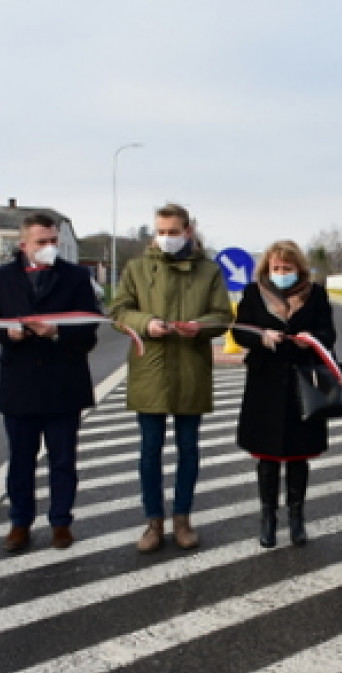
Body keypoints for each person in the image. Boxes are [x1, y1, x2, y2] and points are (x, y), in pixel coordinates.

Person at [110, 203, 232, 553]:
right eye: (160, 232)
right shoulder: (136, 268)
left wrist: (202, 327)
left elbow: (223, 315)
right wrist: (145, 323)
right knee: (149, 451)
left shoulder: (208, 271)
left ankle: (182, 518)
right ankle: (153, 521)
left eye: (173, 232)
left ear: (188, 231)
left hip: (191, 369)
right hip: (150, 369)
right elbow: (118, 312)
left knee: (188, 450)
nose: (166, 238)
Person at [0, 213, 100, 553]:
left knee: (63, 460)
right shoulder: (2, 278)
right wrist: (7, 332)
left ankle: (61, 522)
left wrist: (58, 331)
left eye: (53, 241)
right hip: (20, 383)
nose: (49, 248)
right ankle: (20, 522)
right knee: (20, 459)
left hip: (63, 383)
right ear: (23, 244)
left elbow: (90, 328)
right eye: (41, 242)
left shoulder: (75, 277)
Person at [234, 240, 336, 548]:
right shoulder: (253, 294)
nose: (281, 273)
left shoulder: (315, 294)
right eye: (276, 268)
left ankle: (296, 517)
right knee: (267, 457)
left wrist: (312, 340)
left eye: (287, 268)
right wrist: (262, 337)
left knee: (298, 455)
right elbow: (239, 331)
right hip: (265, 384)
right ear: (267, 268)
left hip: (302, 382)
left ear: (299, 269)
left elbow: (329, 333)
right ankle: (268, 518)